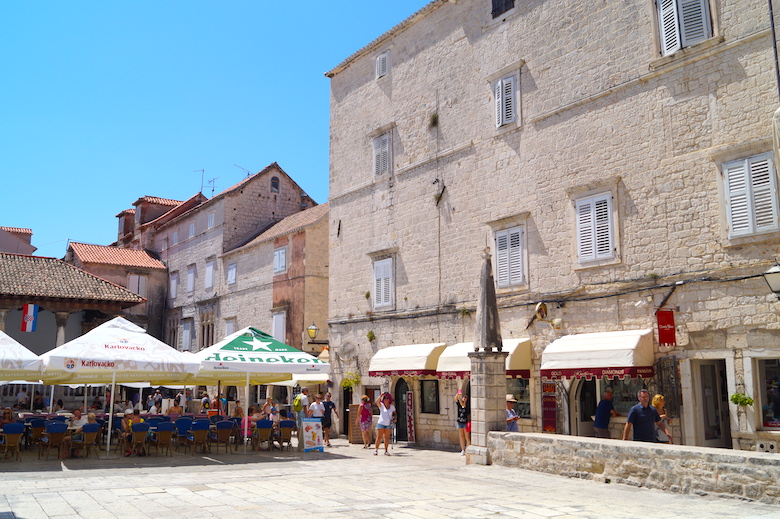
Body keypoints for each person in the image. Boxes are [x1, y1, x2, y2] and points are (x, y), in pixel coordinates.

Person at [455, 390, 470, 455]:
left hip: (465, 423)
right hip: (460, 422)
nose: (464, 398)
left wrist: (460, 399)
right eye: (464, 397)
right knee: (461, 436)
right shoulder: (459, 405)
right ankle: (462, 449)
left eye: (466, 397)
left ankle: (467, 449)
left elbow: (462, 404)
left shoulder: (467, 406)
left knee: (467, 437)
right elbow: (455, 399)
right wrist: (458, 394)